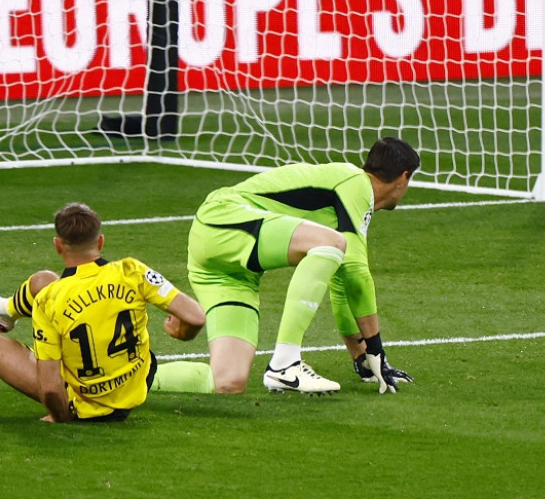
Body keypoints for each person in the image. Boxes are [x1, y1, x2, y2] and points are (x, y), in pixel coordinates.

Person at [180, 136, 420, 395]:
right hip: (224, 219)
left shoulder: (346, 198)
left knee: (227, 380)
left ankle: (143, 375)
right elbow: (357, 274)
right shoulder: (356, 183)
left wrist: (363, 358)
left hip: (228, 269)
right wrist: (376, 349)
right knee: (332, 244)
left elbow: (342, 280)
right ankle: (285, 363)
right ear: (404, 177)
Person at [0, 202, 207, 423]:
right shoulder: (132, 271)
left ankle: (2, 314)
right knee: (43, 280)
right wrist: (181, 331)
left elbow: (52, 389)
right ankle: (2, 312)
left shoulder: (49, 302)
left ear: (57, 246)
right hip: (138, 381)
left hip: (89, 406)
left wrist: (61, 417)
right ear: (100, 241)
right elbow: (195, 317)